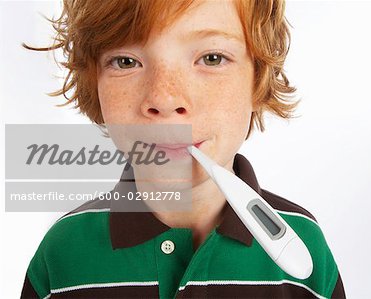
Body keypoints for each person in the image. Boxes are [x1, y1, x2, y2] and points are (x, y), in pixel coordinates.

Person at [20, 0, 345, 298]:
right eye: (126, 61)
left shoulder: (305, 246)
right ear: (96, 83)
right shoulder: (63, 253)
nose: (164, 99)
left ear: (257, 79)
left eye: (211, 58)